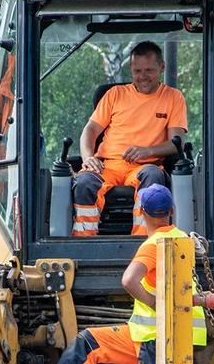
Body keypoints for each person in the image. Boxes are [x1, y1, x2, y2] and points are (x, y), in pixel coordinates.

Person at [18, 184, 207, 364]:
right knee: (91, 344)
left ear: (142, 213)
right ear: (171, 210)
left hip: (154, 337)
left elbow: (129, 280)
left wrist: (156, 306)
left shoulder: (154, 244)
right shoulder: (182, 237)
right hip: (180, 333)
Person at [71, 41, 188, 238]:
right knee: (84, 182)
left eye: (149, 70)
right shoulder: (115, 94)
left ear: (162, 67)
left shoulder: (173, 97)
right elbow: (90, 130)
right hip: (107, 166)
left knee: (153, 179)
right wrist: (88, 157)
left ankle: (144, 240)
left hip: (144, 167)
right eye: (137, 71)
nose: (143, 77)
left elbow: (177, 142)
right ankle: (83, 241)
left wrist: (147, 151)